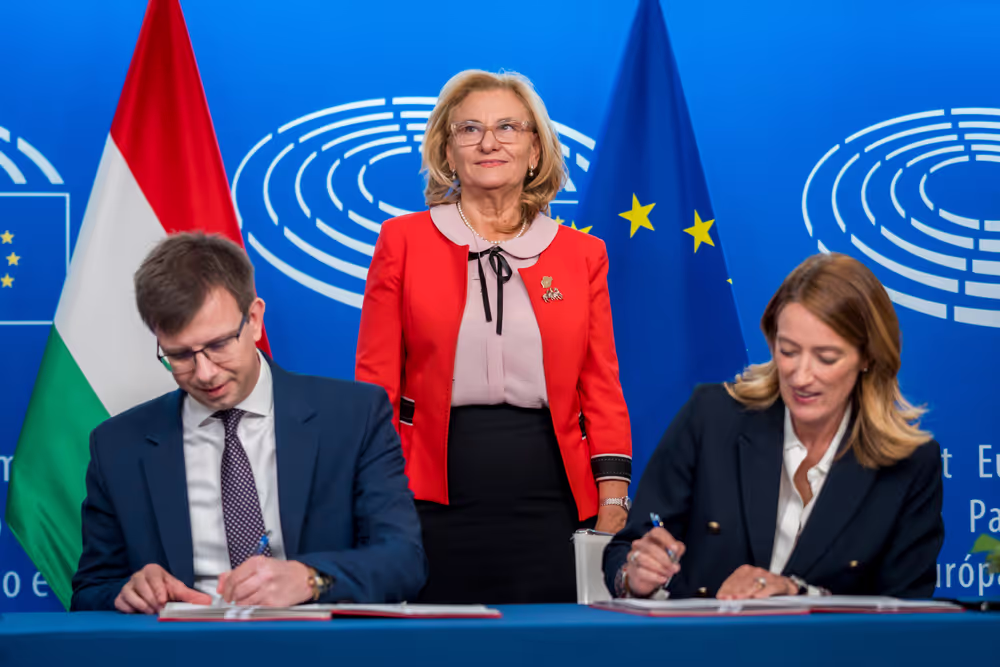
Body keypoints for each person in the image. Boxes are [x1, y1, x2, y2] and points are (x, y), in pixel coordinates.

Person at [356, 70, 632, 604]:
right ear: (447, 152)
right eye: (469, 130)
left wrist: (613, 490)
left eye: (508, 127)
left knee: (548, 645)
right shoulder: (403, 241)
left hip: (551, 486)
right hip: (429, 485)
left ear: (535, 151)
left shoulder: (581, 255)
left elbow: (600, 384)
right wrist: (375, 492)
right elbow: (375, 381)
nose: (488, 142)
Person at [71, 233, 426, 613]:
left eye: (219, 344)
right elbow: (91, 591)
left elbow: (403, 561)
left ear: (254, 320)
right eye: (179, 356)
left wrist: (311, 578)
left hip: (317, 647)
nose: (205, 373)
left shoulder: (353, 417)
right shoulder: (117, 446)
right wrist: (127, 591)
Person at [604, 253, 944, 600]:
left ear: (868, 357)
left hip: (834, 656)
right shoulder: (711, 417)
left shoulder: (911, 463)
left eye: (826, 357)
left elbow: (907, 614)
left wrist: (798, 594)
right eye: (788, 351)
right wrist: (635, 573)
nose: (801, 376)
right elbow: (627, 548)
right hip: (706, 651)